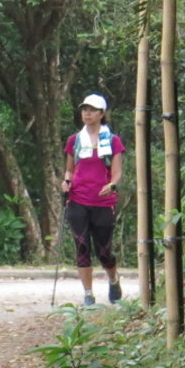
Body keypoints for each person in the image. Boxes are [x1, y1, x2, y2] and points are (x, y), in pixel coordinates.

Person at [61, 93, 124, 306]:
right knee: (82, 246)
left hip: (103, 202)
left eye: (92, 110)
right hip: (77, 199)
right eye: (85, 109)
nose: (87, 113)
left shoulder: (113, 141)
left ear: (101, 114)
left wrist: (112, 185)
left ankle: (113, 279)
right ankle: (88, 294)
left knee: (104, 251)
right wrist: (66, 182)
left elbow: (117, 173)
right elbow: (70, 170)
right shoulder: (75, 140)